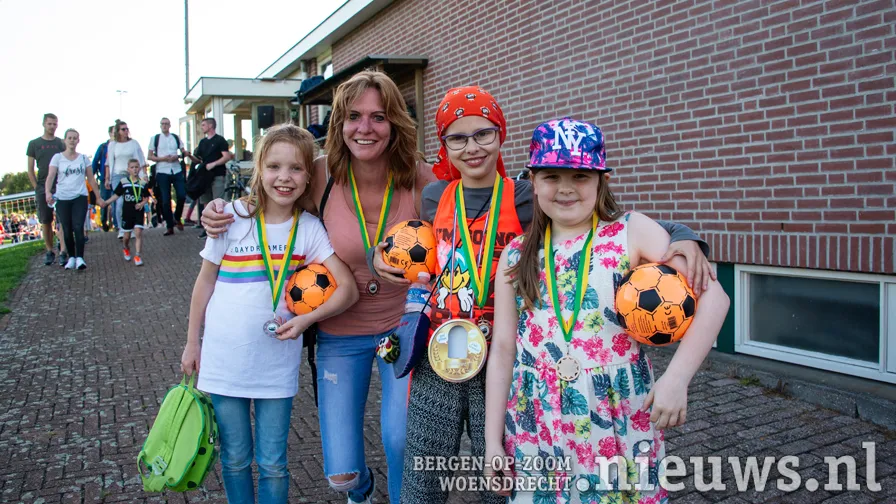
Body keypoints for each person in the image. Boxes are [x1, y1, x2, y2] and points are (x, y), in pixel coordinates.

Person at [372, 88, 712, 504]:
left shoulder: (534, 203)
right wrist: (378, 259)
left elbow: (692, 279)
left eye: (483, 132)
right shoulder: (445, 205)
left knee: (514, 485)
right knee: (423, 470)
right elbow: (416, 248)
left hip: (577, 392)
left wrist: (686, 238)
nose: (565, 188)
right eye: (456, 137)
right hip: (473, 366)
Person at [202, 70, 436, 504]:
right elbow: (271, 194)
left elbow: (460, 228)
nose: (365, 128)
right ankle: (362, 491)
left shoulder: (421, 177)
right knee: (342, 476)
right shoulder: (320, 176)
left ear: (395, 123)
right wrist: (221, 210)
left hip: (403, 328)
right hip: (340, 333)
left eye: (378, 117)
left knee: (402, 438)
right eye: (353, 116)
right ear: (339, 123)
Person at [483, 118, 730, 503]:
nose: (566, 188)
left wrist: (676, 379)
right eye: (551, 176)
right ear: (532, 180)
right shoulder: (515, 254)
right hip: (537, 418)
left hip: (616, 412)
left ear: (602, 180)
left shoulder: (631, 232)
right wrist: (491, 440)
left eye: (580, 176)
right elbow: (502, 349)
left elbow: (716, 298)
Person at [180, 124, 358, 504]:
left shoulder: (309, 230)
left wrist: (307, 319)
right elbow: (204, 284)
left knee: (274, 463)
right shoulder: (230, 218)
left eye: (295, 168)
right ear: (259, 169)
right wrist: (192, 342)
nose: (284, 177)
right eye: (274, 166)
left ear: (309, 175)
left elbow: (348, 288)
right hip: (223, 361)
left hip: (275, 366)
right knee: (235, 459)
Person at [45, 129, 103, 270]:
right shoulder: (57, 158)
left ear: (78, 141)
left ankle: (80, 258)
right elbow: (51, 176)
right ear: (65, 140)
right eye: (69, 138)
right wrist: (47, 192)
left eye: (75, 138)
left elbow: (91, 178)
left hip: (79, 196)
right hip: (63, 197)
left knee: (78, 226)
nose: (72, 140)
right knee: (67, 228)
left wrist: (98, 196)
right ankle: (71, 257)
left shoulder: (83, 158)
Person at [26, 113, 66, 265]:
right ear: (44, 124)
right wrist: (36, 186)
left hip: (60, 185)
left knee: (62, 219)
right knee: (46, 220)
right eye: (49, 124)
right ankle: (49, 250)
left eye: (55, 124)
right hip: (43, 185)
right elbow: (30, 168)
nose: (52, 127)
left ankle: (63, 250)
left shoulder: (60, 143)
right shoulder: (34, 144)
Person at [186, 118, 232, 238]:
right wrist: (189, 156)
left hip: (217, 175)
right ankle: (208, 228)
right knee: (206, 202)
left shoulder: (220, 140)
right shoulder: (202, 142)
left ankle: (221, 227)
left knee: (219, 202)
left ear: (211, 125)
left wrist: (214, 164)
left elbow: (227, 156)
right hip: (204, 177)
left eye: (203, 125)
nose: (202, 127)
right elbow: (198, 159)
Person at [101, 159, 150, 266]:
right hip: (127, 212)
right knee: (126, 236)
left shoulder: (142, 183)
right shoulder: (124, 182)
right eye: (132, 167)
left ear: (139, 168)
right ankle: (125, 247)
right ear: (128, 169)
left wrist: (141, 204)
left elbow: (146, 198)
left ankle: (137, 255)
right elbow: (116, 195)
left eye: (136, 167)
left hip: (138, 212)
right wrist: (106, 202)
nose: (135, 169)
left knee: (138, 232)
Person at [104, 120, 147, 239]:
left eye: (127, 129)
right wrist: (107, 178)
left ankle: (131, 227)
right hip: (117, 175)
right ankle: (122, 229)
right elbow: (108, 163)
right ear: (117, 131)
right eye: (123, 129)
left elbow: (141, 160)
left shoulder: (134, 143)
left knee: (131, 201)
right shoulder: (113, 145)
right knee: (119, 202)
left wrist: (144, 175)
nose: (126, 131)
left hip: (131, 176)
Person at [148, 117, 187, 235]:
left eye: (166, 124)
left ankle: (177, 217)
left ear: (170, 125)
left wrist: (179, 156)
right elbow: (150, 156)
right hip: (162, 170)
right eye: (162, 124)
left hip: (176, 169)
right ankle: (170, 226)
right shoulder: (155, 138)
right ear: (160, 126)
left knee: (181, 195)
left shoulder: (175, 137)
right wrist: (163, 159)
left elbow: (183, 151)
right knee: (165, 200)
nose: (164, 126)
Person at [93, 126, 115, 231]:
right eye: (114, 132)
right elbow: (95, 161)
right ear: (110, 133)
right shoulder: (103, 147)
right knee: (104, 200)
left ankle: (116, 223)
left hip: (116, 177)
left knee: (116, 200)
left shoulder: (120, 145)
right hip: (103, 178)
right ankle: (103, 221)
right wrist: (91, 176)